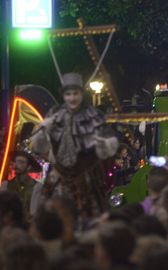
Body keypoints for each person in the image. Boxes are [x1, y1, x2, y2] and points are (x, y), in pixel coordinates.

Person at [31, 73, 119, 219]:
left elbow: (109, 146)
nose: (72, 98)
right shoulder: (55, 113)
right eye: (68, 94)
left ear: (81, 94)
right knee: (51, 216)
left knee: (90, 217)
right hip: (59, 175)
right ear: (64, 96)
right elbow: (39, 146)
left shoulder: (93, 114)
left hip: (86, 175)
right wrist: (44, 129)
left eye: (75, 94)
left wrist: (102, 142)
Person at [4, 150, 42, 216]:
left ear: (28, 167)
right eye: (15, 162)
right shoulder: (6, 184)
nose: (16, 165)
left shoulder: (36, 186)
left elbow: (34, 213)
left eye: (21, 162)